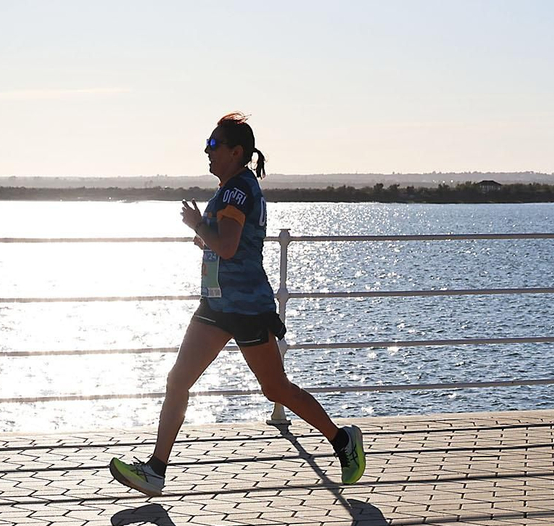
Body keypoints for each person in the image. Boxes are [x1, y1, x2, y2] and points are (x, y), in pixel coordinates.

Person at [108, 114, 365, 497]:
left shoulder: (238, 191)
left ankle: (342, 440)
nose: (207, 151)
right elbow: (228, 243)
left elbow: (227, 246)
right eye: (207, 145)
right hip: (216, 306)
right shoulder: (229, 189)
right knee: (178, 380)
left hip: (246, 308)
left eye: (214, 145)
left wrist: (198, 225)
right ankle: (155, 470)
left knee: (276, 389)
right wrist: (206, 236)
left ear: (236, 151)